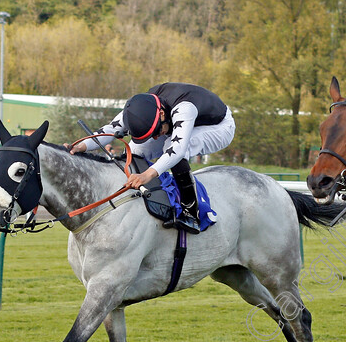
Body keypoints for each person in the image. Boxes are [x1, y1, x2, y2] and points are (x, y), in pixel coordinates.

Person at [67, 83, 235, 233]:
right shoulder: (140, 107)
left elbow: (176, 150)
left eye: (156, 132)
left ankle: (191, 211)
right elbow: (110, 129)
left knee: (171, 145)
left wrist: (147, 175)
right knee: (134, 150)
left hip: (219, 127)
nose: (155, 138)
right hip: (175, 120)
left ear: (162, 114)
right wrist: (80, 146)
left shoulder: (184, 108)